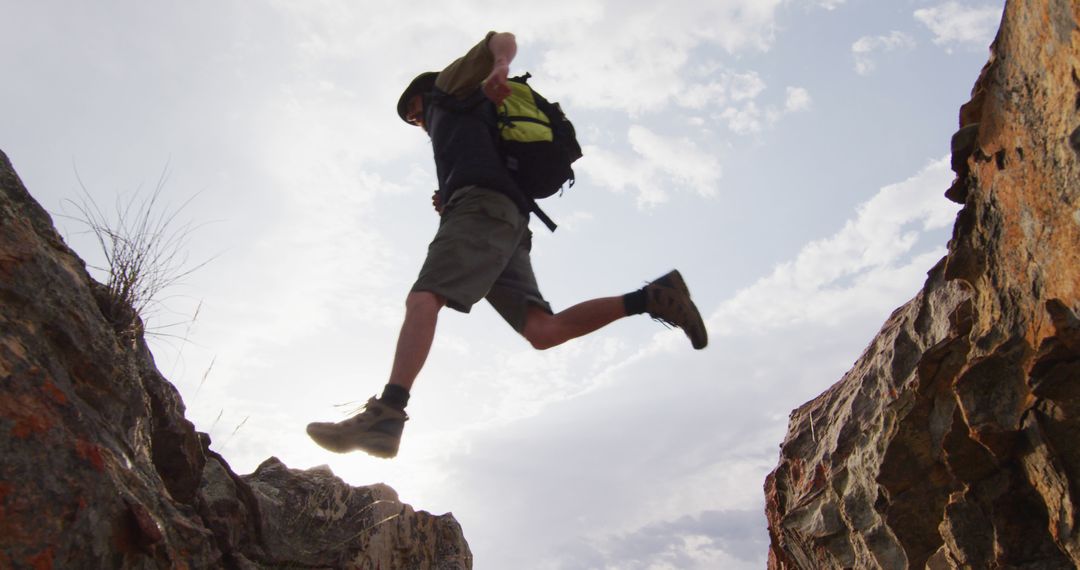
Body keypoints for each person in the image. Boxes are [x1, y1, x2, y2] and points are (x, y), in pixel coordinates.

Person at [306, 31, 707, 458]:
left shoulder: (447, 87)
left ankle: (387, 413)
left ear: (424, 94)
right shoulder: (467, 125)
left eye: (413, 112)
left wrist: (498, 67)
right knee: (543, 331)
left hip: (482, 209)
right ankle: (652, 297)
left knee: (424, 298)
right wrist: (452, 194)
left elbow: (501, 38)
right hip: (505, 219)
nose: (416, 122)